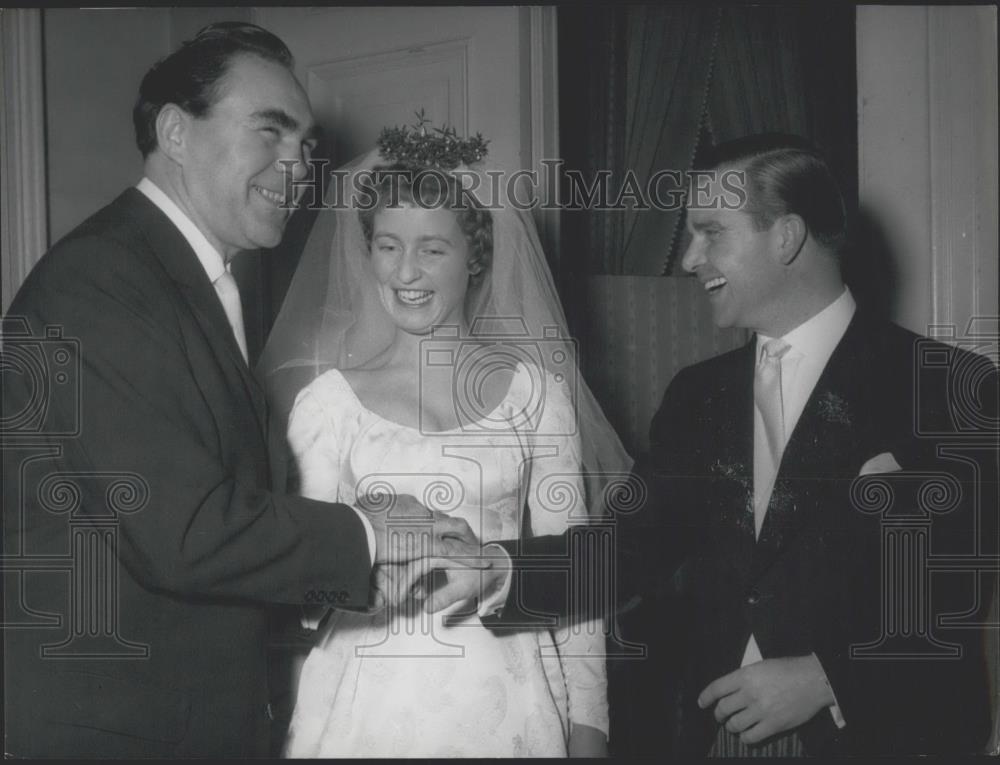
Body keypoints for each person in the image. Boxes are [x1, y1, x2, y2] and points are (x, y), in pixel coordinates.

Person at [435, 134, 998, 756]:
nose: (688, 259)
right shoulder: (697, 395)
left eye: (710, 232)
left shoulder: (952, 388)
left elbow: (958, 591)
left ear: (785, 237)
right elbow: (632, 545)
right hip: (717, 737)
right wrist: (503, 568)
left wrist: (828, 677)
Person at [0, 23, 476, 758]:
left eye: (306, 145)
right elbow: (182, 529)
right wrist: (376, 533)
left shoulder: (181, 278)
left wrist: (332, 590)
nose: (298, 167)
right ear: (175, 132)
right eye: (269, 132)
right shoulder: (102, 279)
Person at [257, 144, 633, 756]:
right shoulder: (328, 407)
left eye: (431, 249)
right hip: (363, 708)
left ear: (474, 259)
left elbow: (578, 574)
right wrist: (364, 561)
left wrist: (589, 729)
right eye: (387, 245)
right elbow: (294, 593)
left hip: (511, 702)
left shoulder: (535, 396)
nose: (405, 272)